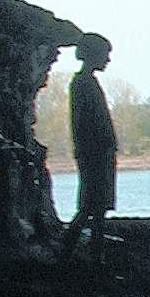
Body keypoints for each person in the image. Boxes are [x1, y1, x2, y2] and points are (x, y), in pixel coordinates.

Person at [61, 32, 117, 266]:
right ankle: (77, 254)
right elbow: (86, 123)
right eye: (105, 55)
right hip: (94, 154)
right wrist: (98, 148)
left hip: (97, 153)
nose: (108, 60)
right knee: (90, 206)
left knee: (96, 207)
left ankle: (92, 254)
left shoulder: (85, 82)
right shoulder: (83, 84)